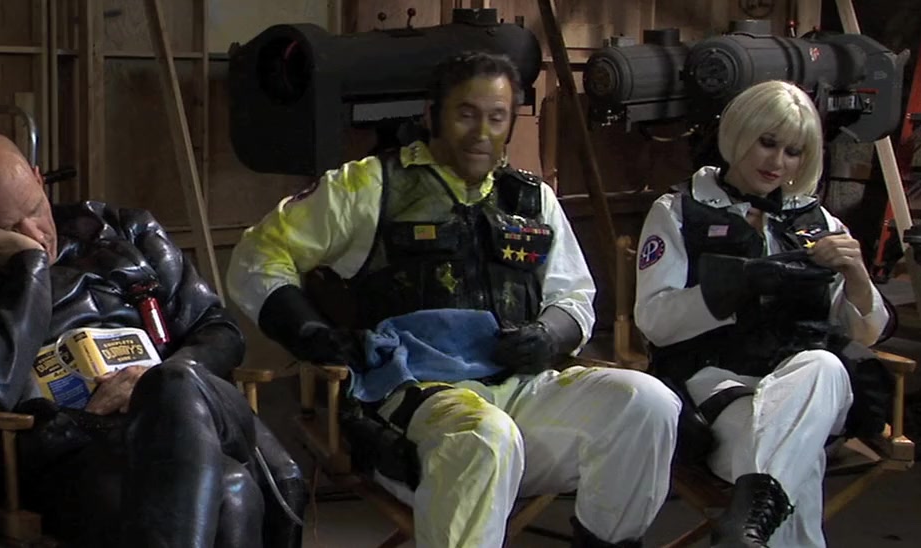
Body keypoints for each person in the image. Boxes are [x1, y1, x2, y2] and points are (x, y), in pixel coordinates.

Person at [226, 51, 681, 548]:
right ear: (432, 115)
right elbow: (257, 254)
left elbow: (574, 296)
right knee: (485, 436)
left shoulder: (533, 201)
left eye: (497, 117)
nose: (481, 132)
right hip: (415, 401)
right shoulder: (372, 186)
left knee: (647, 403)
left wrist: (548, 336)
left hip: (522, 392)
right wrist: (309, 332)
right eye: (466, 114)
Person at [0, 133, 307, 547]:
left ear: (40, 180)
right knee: (233, 489)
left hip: (189, 411)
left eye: (34, 210)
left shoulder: (122, 230)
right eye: (8, 228)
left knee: (172, 383)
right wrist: (30, 266)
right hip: (73, 445)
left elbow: (219, 329)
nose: (35, 233)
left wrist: (152, 382)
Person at [634, 80, 893, 548]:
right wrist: (738, 286)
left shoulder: (819, 222)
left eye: (793, 152)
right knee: (797, 458)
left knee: (823, 365)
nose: (778, 162)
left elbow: (868, 333)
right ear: (739, 133)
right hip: (720, 391)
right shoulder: (679, 211)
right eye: (767, 143)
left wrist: (857, 275)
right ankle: (746, 528)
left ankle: (743, 525)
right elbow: (654, 321)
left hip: (811, 390)